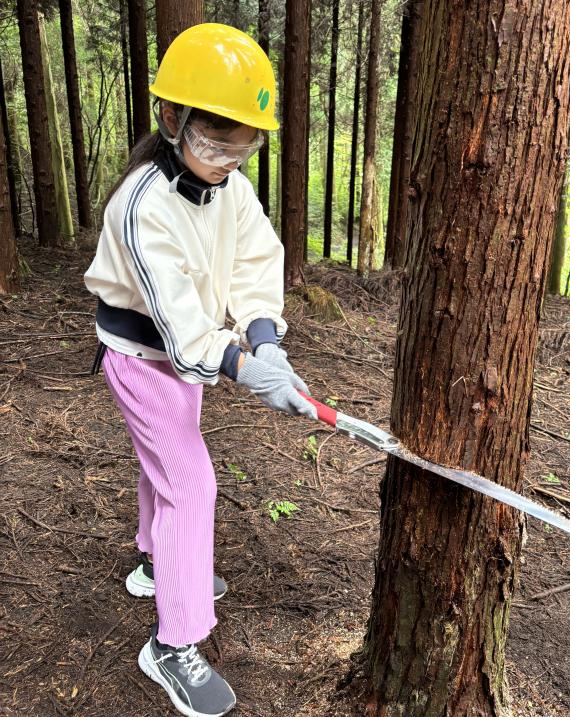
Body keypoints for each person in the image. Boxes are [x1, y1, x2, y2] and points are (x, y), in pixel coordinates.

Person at [84, 23, 316, 717]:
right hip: (142, 359)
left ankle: (156, 563)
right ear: (170, 118)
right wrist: (247, 367)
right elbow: (184, 334)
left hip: (183, 361)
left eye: (243, 146)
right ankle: (172, 642)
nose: (227, 161)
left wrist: (266, 339)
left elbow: (254, 261)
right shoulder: (142, 205)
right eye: (214, 143)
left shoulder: (229, 187)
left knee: (169, 465)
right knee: (192, 483)